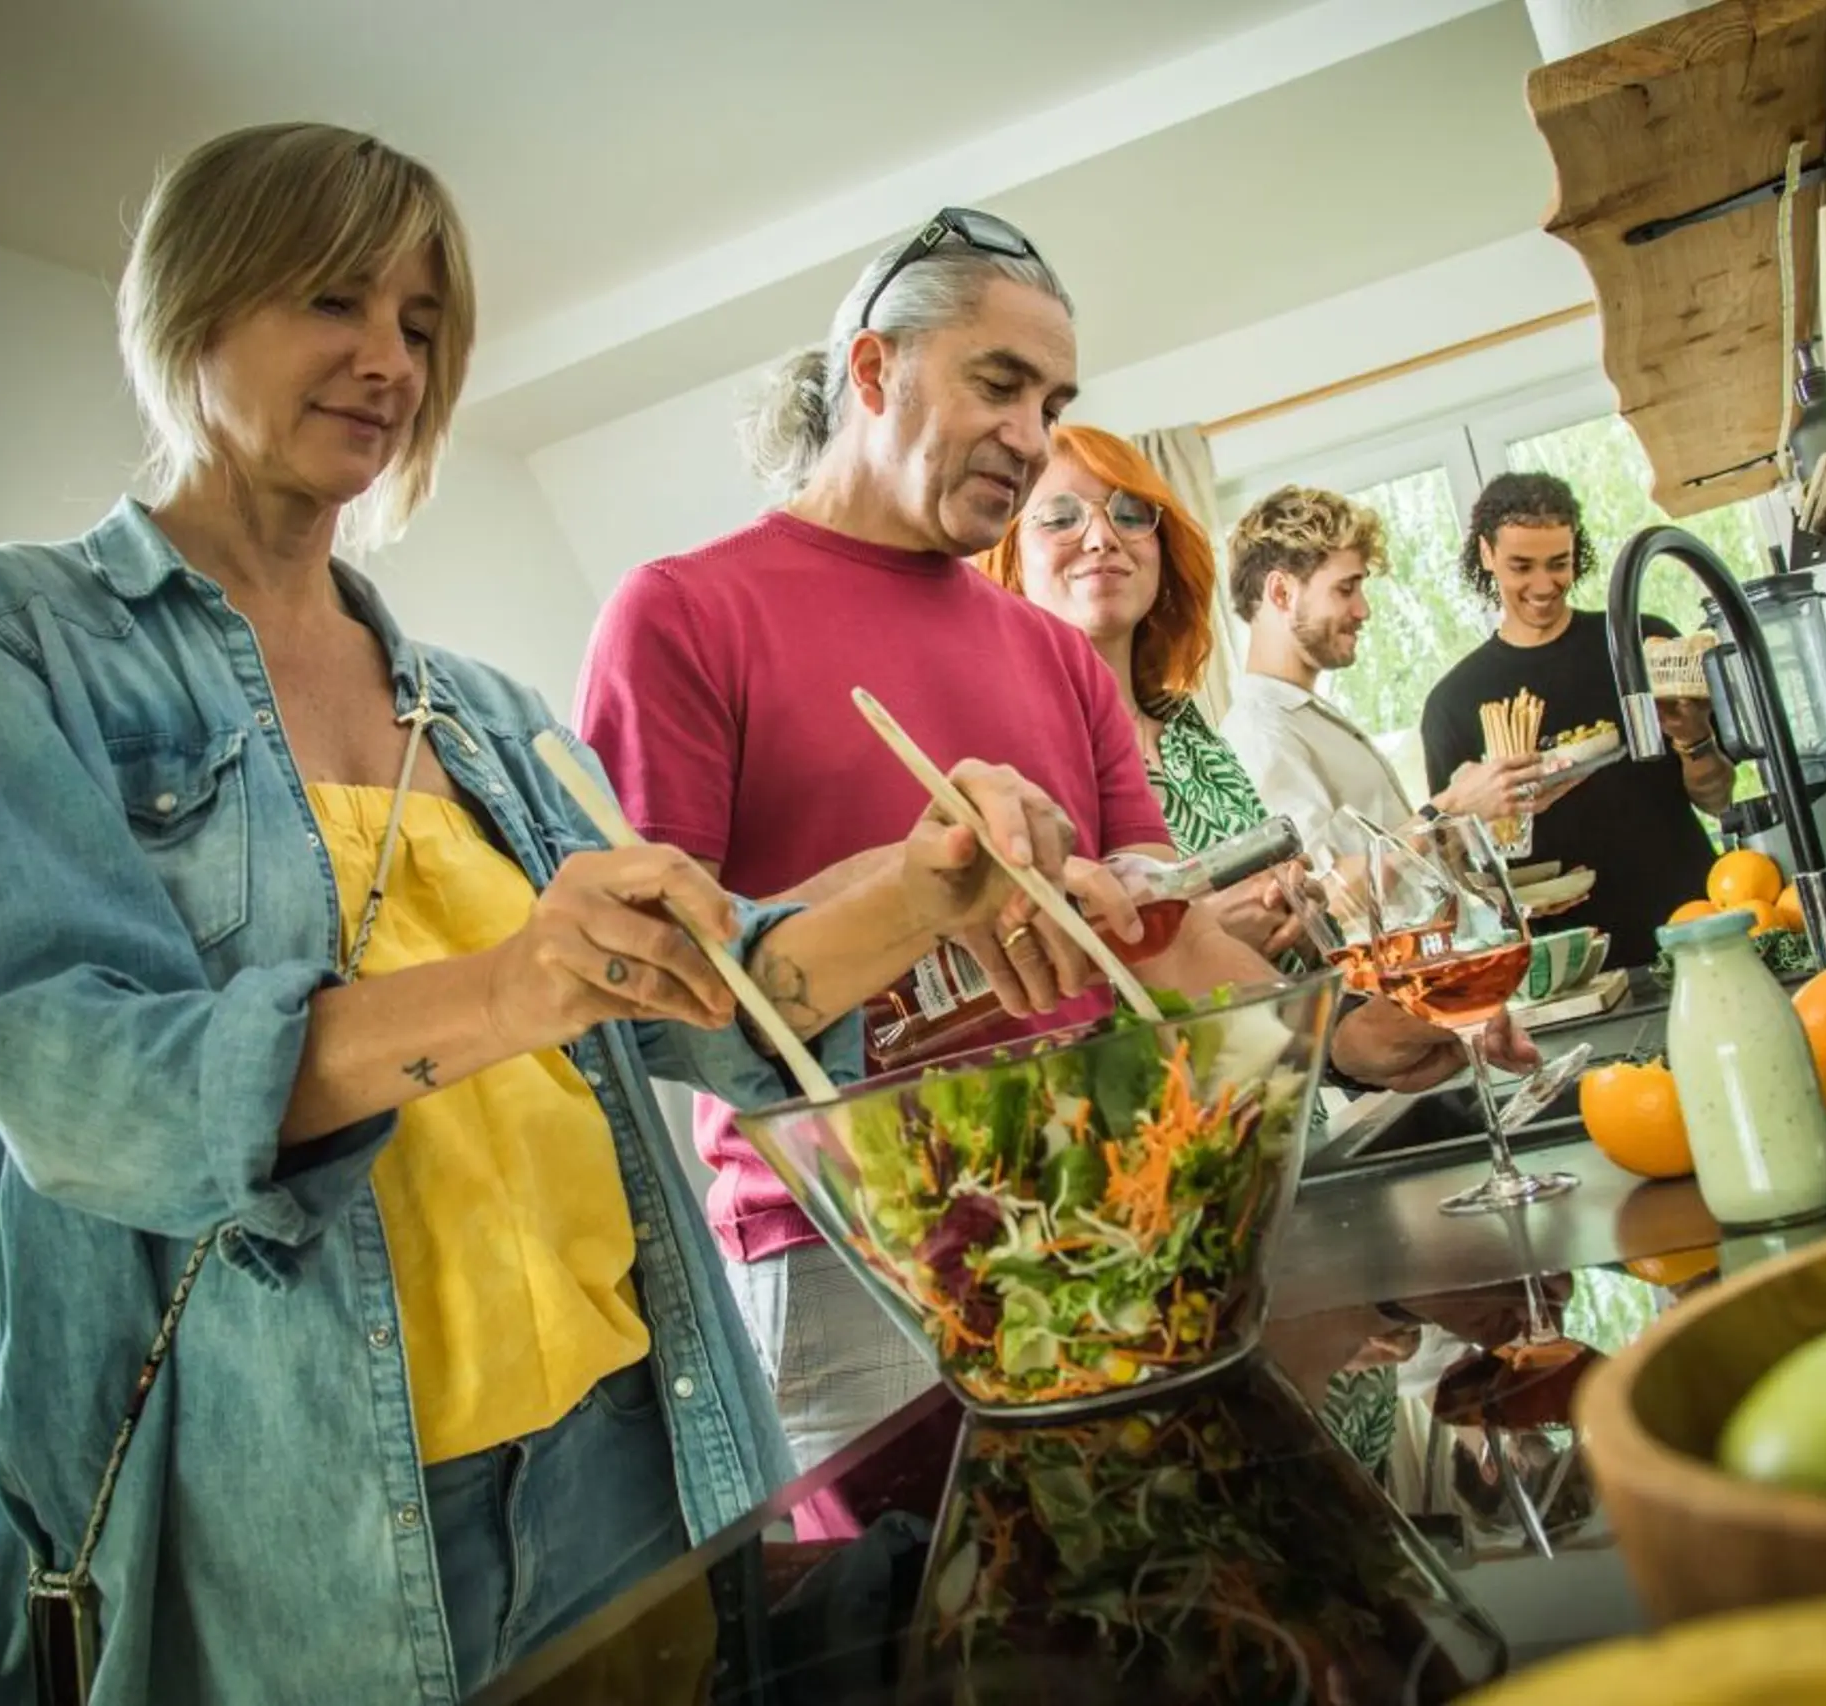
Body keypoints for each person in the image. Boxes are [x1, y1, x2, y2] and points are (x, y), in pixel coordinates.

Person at [0, 126, 1085, 1706]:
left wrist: (922, 889)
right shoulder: (6, 636)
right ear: (189, 304)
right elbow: (71, 1088)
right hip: (313, 1507)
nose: (388, 360)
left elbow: (719, 1007)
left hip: (629, 1437)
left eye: (424, 327)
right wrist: (518, 984)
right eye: (334, 301)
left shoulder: (485, 712)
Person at [577, 210, 1510, 1470]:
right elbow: (645, 1001)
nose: (1029, 436)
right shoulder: (682, 613)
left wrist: (1347, 1034)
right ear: (872, 372)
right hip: (858, 1254)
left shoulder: (1048, 653)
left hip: (1120, 1202)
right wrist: (912, 896)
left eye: (1052, 396)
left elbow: (1163, 937)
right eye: (998, 384)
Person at [978, 423, 1298, 959]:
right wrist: (1198, 939)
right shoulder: (1005, 757)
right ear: (1007, 562)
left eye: (1129, 514)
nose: (1103, 537)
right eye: (1060, 517)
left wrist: (1295, 903)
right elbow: (1020, 982)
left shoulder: (1191, 730)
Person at [1419, 470, 1735, 966]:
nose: (1544, 585)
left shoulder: (1643, 642)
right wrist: (1502, 895)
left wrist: (1693, 740)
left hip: (1692, 921)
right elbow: (1453, 861)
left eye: (1558, 564)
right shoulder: (1454, 702)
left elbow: (1718, 799)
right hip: (1570, 958)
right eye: (1521, 566)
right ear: (1487, 555)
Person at [1220, 483, 1548, 847]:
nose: (1364, 610)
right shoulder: (1260, 733)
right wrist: (1449, 808)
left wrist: (1475, 810)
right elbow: (1330, 894)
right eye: (1345, 589)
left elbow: (1395, 880)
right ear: (1282, 593)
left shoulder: (1305, 717)